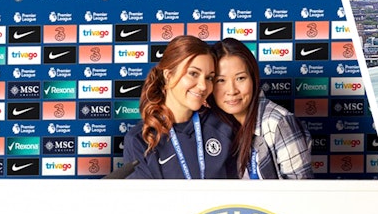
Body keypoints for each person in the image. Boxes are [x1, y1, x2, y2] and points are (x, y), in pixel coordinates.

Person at [123, 35, 235, 179]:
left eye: (209, 78)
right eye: (193, 74)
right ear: (168, 76)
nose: (203, 86)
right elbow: (144, 201)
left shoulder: (223, 126)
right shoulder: (140, 139)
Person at [208, 38, 313, 179]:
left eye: (240, 78)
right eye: (221, 80)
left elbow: (301, 192)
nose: (232, 90)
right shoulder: (211, 123)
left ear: (253, 79)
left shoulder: (278, 123)